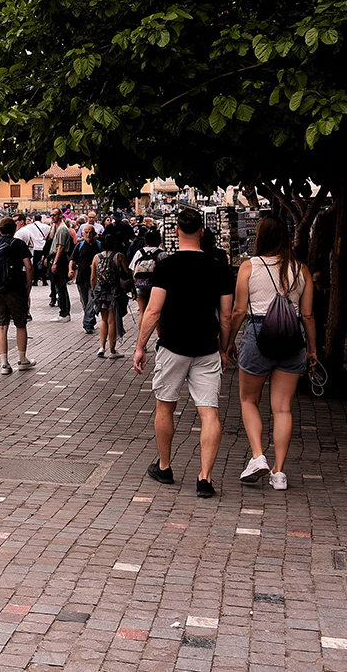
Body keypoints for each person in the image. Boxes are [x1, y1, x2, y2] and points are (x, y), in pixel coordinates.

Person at [132, 208, 234, 499]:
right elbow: (226, 316)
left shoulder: (166, 266)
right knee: (209, 412)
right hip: (206, 347)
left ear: (176, 232)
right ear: (202, 232)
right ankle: (205, 477)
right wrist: (224, 349)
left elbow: (153, 311)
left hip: (173, 345)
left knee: (165, 407)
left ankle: (164, 467)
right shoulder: (219, 267)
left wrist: (140, 347)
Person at [229, 216, 315, 490]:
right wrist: (312, 349)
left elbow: (239, 311)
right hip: (292, 338)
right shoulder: (301, 269)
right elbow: (309, 315)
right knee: (282, 408)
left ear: (260, 237)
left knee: (249, 400)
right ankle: (279, 472)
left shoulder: (248, 267)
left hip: (258, 336)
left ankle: (258, 456)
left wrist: (228, 341)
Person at [0, 217, 35, 375]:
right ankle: (22, 360)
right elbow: (28, 266)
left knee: (1, 326)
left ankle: (4, 364)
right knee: (20, 324)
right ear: (14, 229)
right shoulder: (18, 244)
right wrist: (28, 288)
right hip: (15, 289)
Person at [91, 232, 130, 358]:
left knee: (103, 320)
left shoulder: (96, 257)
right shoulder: (119, 256)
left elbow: (93, 277)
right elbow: (127, 272)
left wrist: (94, 291)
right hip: (115, 292)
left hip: (101, 291)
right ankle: (112, 350)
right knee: (112, 321)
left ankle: (102, 347)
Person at [129, 228, 168, 326]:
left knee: (142, 312)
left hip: (140, 285)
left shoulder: (139, 252)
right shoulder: (161, 254)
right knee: (158, 312)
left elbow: (133, 270)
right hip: (156, 287)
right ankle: (159, 338)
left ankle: (142, 334)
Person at [71, 223, 101, 334]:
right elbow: (72, 259)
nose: (88, 235)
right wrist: (71, 270)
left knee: (91, 301)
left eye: (90, 232)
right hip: (81, 277)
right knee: (84, 302)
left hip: (94, 278)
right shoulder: (80, 246)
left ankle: (87, 324)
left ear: (94, 234)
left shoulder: (98, 245)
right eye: (86, 232)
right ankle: (91, 320)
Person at [49, 211, 76, 321]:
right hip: (57, 258)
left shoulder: (62, 229)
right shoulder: (58, 228)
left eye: (54, 215)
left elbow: (61, 247)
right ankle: (64, 312)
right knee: (59, 287)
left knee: (61, 287)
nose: (52, 217)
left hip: (60, 259)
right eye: (51, 215)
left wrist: (55, 262)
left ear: (60, 216)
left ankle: (64, 313)